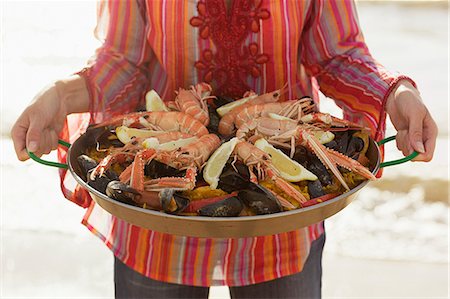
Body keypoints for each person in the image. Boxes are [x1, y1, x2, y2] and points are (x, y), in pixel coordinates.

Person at [11, 1, 437, 298]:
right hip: (158, 209)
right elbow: (123, 58)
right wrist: (60, 95)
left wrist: (393, 92)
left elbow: (338, 54)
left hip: (281, 216)